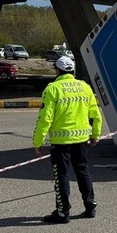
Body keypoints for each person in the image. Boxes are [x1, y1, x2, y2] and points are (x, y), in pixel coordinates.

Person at [33, 56, 103, 223]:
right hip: (81, 140)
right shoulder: (85, 87)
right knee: (83, 171)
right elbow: (95, 114)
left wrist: (38, 141)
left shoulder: (52, 89)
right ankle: (90, 206)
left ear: (57, 71)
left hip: (61, 142)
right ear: (72, 70)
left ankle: (63, 212)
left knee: (62, 176)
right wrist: (95, 135)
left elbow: (45, 118)